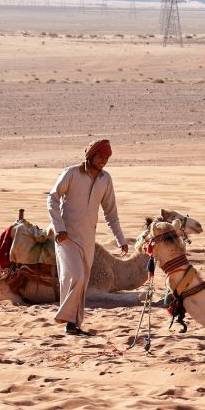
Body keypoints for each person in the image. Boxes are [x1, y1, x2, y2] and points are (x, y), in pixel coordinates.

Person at [47, 138, 129, 336]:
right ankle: (65, 317)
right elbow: (52, 197)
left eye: (107, 158)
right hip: (66, 237)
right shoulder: (71, 173)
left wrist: (121, 240)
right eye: (101, 156)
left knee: (83, 281)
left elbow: (111, 213)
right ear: (91, 155)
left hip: (88, 239)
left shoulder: (105, 180)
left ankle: (73, 325)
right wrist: (59, 228)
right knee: (76, 276)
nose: (104, 161)